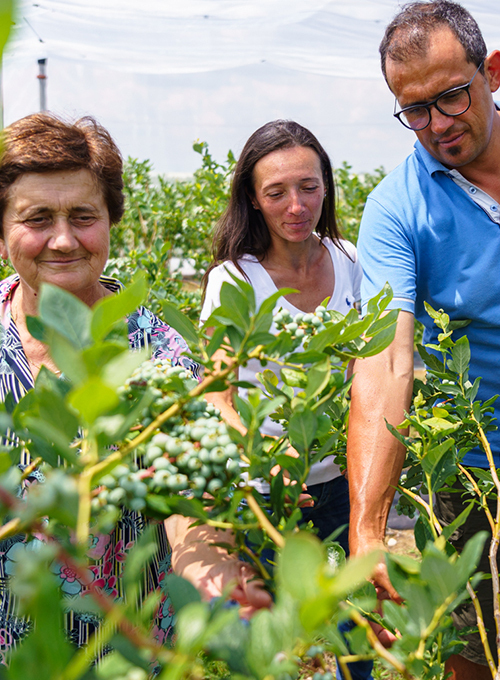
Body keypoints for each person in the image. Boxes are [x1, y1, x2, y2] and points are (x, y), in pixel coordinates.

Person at [0, 112, 270, 661]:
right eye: (36, 218)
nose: (62, 239)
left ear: (110, 221)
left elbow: (189, 498)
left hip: (122, 655)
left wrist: (213, 579)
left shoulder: (159, 353)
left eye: (83, 216)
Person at [346, 2, 500, 679]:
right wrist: (368, 530)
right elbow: (386, 362)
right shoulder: (395, 208)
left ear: (491, 72)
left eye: (452, 97)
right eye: (414, 109)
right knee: (475, 644)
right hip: (469, 467)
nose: (437, 124)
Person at [201, 119, 373, 680]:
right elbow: (219, 395)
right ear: (253, 198)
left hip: (344, 485)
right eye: (276, 192)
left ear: (327, 186)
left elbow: (366, 371)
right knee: (277, 648)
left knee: (354, 636)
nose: (296, 205)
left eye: (309, 186)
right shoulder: (234, 280)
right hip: (269, 496)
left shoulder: (350, 259)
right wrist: (265, 462)